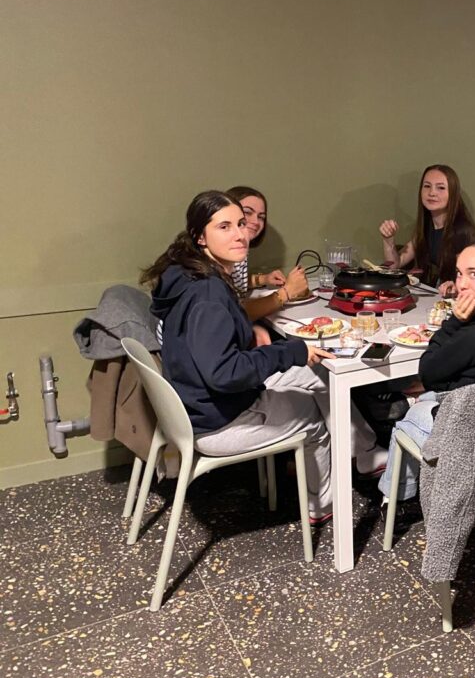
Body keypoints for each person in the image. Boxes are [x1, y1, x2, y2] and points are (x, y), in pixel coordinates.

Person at [143, 191, 386, 525]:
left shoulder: (188, 274)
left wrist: (277, 347)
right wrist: (290, 351)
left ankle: (363, 453)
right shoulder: (208, 294)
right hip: (217, 420)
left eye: (241, 224)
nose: (240, 234)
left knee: (318, 375)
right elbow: (224, 373)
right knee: (313, 415)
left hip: (198, 403)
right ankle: (322, 506)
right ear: (200, 236)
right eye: (224, 227)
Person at [377, 236, 475, 501]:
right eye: (460, 273)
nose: (462, 284)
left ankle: (395, 500)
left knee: (406, 420)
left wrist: (455, 322)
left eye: (474, 274)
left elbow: (428, 372)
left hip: (469, 438)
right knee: (425, 398)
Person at [379, 164, 475, 295]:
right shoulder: (426, 226)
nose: (432, 193)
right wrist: (388, 240)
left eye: (441, 188)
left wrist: (455, 286)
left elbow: (473, 279)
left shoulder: (463, 232)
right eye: (427, 186)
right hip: (435, 296)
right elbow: (394, 266)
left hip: (455, 300)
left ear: (453, 194)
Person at [225, 186, 311, 323]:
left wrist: (262, 279)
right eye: (247, 212)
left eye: (261, 217)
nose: (255, 222)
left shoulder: (239, 249)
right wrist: (287, 292)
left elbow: (234, 282)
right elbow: (233, 314)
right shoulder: (218, 257)